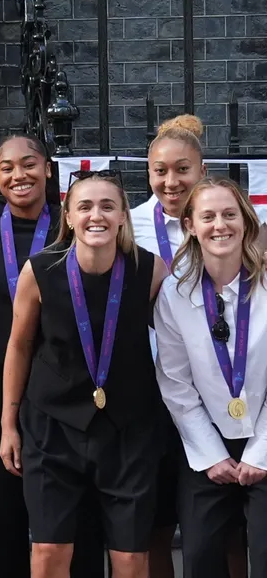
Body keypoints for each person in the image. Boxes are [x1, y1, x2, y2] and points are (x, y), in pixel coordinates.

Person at [1, 170, 168, 578]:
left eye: (108, 206)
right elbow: (19, 345)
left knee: (131, 556)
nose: (97, 215)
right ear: (70, 217)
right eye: (86, 206)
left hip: (129, 428)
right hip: (52, 425)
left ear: (123, 216)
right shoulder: (39, 270)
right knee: (49, 552)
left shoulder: (151, 271)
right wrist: (8, 424)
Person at [0, 134, 105, 578]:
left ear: (48, 169)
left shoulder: (75, 227)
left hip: (62, 379)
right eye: (6, 167)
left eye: (28, 164)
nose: (18, 175)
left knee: (71, 508)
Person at [131, 114, 249, 578]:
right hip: (154, 393)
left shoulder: (222, 222)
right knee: (158, 519)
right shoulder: (130, 222)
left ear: (202, 170)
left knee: (228, 524)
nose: (171, 180)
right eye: (160, 171)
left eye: (182, 169)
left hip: (223, 390)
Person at [154, 178, 267, 577]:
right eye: (208, 216)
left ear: (246, 222)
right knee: (201, 556)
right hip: (207, 448)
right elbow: (175, 383)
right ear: (190, 226)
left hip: (266, 441)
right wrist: (213, 454)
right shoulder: (174, 295)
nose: (220, 225)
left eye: (229, 214)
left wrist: (259, 454)